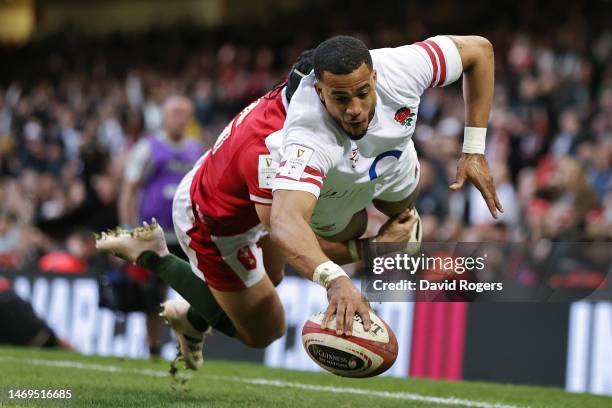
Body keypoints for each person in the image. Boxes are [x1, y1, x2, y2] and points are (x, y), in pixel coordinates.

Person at [96, 50, 419, 370]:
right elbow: (292, 242)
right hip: (213, 221)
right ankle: (156, 256)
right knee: (265, 331)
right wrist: (372, 251)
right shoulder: (272, 148)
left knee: (272, 278)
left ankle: (193, 316)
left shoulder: (296, 105)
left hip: (251, 204)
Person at [268, 35, 502, 335]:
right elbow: (284, 221)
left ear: (375, 77)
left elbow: (479, 51)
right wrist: (335, 279)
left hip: (394, 161)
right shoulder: (307, 132)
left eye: (363, 93)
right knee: (344, 236)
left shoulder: (403, 68)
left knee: (400, 211)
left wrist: (473, 150)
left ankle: (401, 229)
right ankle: (376, 247)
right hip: (334, 185)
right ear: (320, 92)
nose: (354, 108)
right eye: (340, 98)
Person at [116, 96, 202, 358]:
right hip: (154, 234)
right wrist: (127, 228)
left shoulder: (196, 150)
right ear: (164, 117)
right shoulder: (148, 148)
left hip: (186, 234)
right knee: (153, 293)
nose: (180, 118)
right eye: (175, 112)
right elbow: (129, 190)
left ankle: (187, 345)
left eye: (185, 113)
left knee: (195, 291)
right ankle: (153, 347)